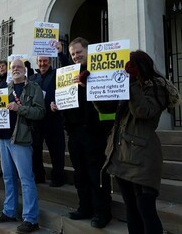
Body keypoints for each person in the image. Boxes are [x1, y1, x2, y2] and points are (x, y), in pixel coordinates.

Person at [96, 50, 179, 234]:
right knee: (131, 208)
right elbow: (107, 107)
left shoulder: (158, 87)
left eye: (131, 66)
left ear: (140, 67)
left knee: (146, 209)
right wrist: (92, 86)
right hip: (122, 154)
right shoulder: (127, 84)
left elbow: (144, 112)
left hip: (143, 157)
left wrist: (132, 84)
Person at [52, 37, 112, 228]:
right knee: (80, 173)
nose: (76, 56)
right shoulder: (71, 72)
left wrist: (89, 87)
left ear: (88, 51)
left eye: (79, 52)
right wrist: (57, 105)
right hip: (74, 132)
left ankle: (102, 212)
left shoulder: (99, 71)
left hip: (94, 132)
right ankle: (84, 208)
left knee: (96, 174)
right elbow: (68, 90)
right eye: (73, 54)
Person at [0, 59, 45, 233]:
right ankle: (9, 211)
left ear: (25, 70)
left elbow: (40, 112)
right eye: (12, 67)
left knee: (26, 179)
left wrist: (18, 108)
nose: (15, 69)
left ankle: (31, 218)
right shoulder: (4, 89)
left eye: (18, 67)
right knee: (8, 177)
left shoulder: (34, 88)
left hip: (21, 139)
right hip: (4, 138)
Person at [29, 56, 66, 187]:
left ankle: (58, 177)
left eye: (45, 61)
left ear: (50, 62)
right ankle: (39, 175)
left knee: (56, 150)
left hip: (53, 119)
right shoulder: (33, 78)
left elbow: (64, 91)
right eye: (40, 61)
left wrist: (57, 103)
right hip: (37, 121)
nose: (42, 64)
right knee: (35, 150)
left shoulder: (57, 74)